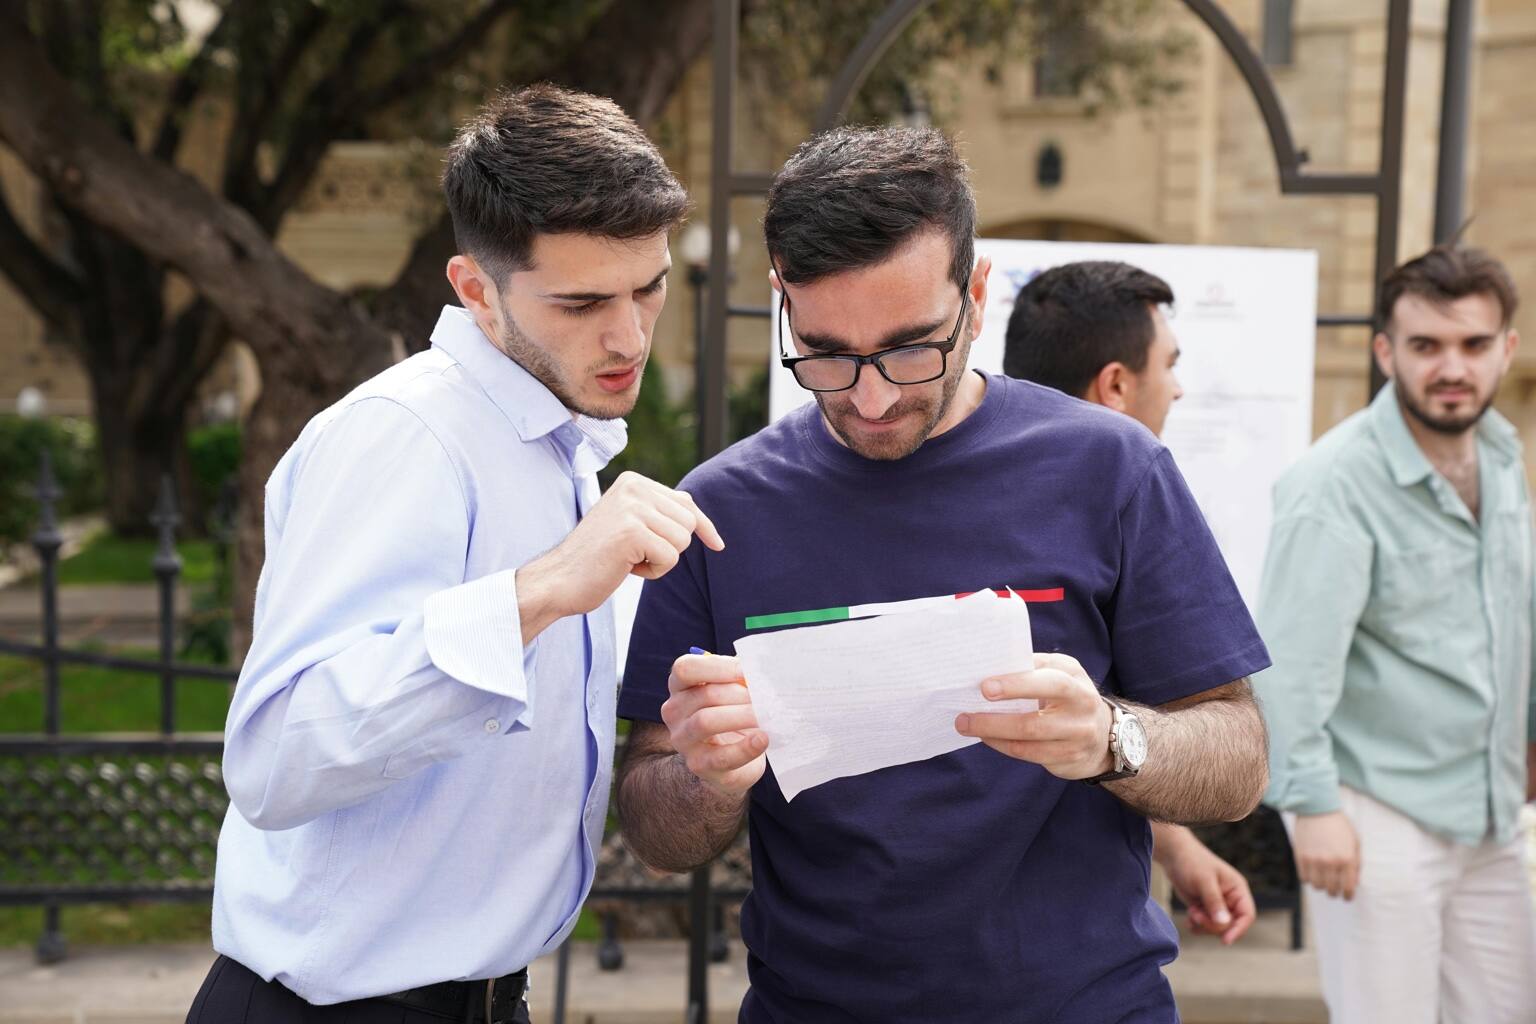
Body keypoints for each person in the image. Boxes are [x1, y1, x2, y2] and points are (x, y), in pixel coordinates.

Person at [615, 125, 1271, 1023]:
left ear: (978, 292)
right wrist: (705, 778)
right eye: (826, 353)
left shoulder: (1112, 469)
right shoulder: (721, 507)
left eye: (911, 347)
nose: (872, 396)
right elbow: (654, 824)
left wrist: (1113, 740)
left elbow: (1237, 757)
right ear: (782, 300)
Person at [187, 85, 721, 1024]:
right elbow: (271, 762)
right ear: (476, 290)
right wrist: (543, 590)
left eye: (651, 286)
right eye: (583, 301)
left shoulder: (562, 445)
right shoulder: (405, 437)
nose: (630, 335)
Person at [1254, 245, 1536, 1024]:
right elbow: (1290, 669)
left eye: (1474, 345)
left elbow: (1517, 615)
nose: (1453, 368)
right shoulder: (1333, 485)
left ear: (1506, 349)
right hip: (1376, 810)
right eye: (1426, 346)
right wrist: (1313, 806)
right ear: (1387, 352)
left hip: (1489, 807)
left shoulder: (1504, 457)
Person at [1004, 258, 1256, 945]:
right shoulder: (1124, 488)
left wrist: (1175, 846)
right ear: (1116, 384)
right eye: (1169, 365)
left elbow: (1092, 727)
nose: (1176, 389)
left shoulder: (1122, 494)